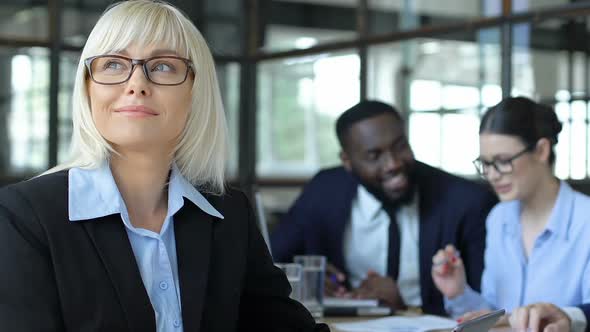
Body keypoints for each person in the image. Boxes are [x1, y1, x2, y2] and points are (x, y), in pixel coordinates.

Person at [0, 1, 328, 331]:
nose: (136, 84)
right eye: (113, 64)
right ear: (87, 88)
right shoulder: (24, 217)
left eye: (163, 66)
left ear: (196, 92)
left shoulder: (229, 214)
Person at [270, 100, 497, 315]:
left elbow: (486, 304)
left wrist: (403, 305)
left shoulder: (466, 202)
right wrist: (309, 281)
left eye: (400, 146)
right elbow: (271, 262)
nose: (393, 163)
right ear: (347, 160)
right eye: (374, 155)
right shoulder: (324, 190)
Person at [432, 97, 590, 323]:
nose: (493, 175)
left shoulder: (585, 222)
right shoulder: (499, 218)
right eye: (486, 164)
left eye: (503, 161)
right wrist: (458, 293)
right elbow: (499, 317)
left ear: (542, 150)